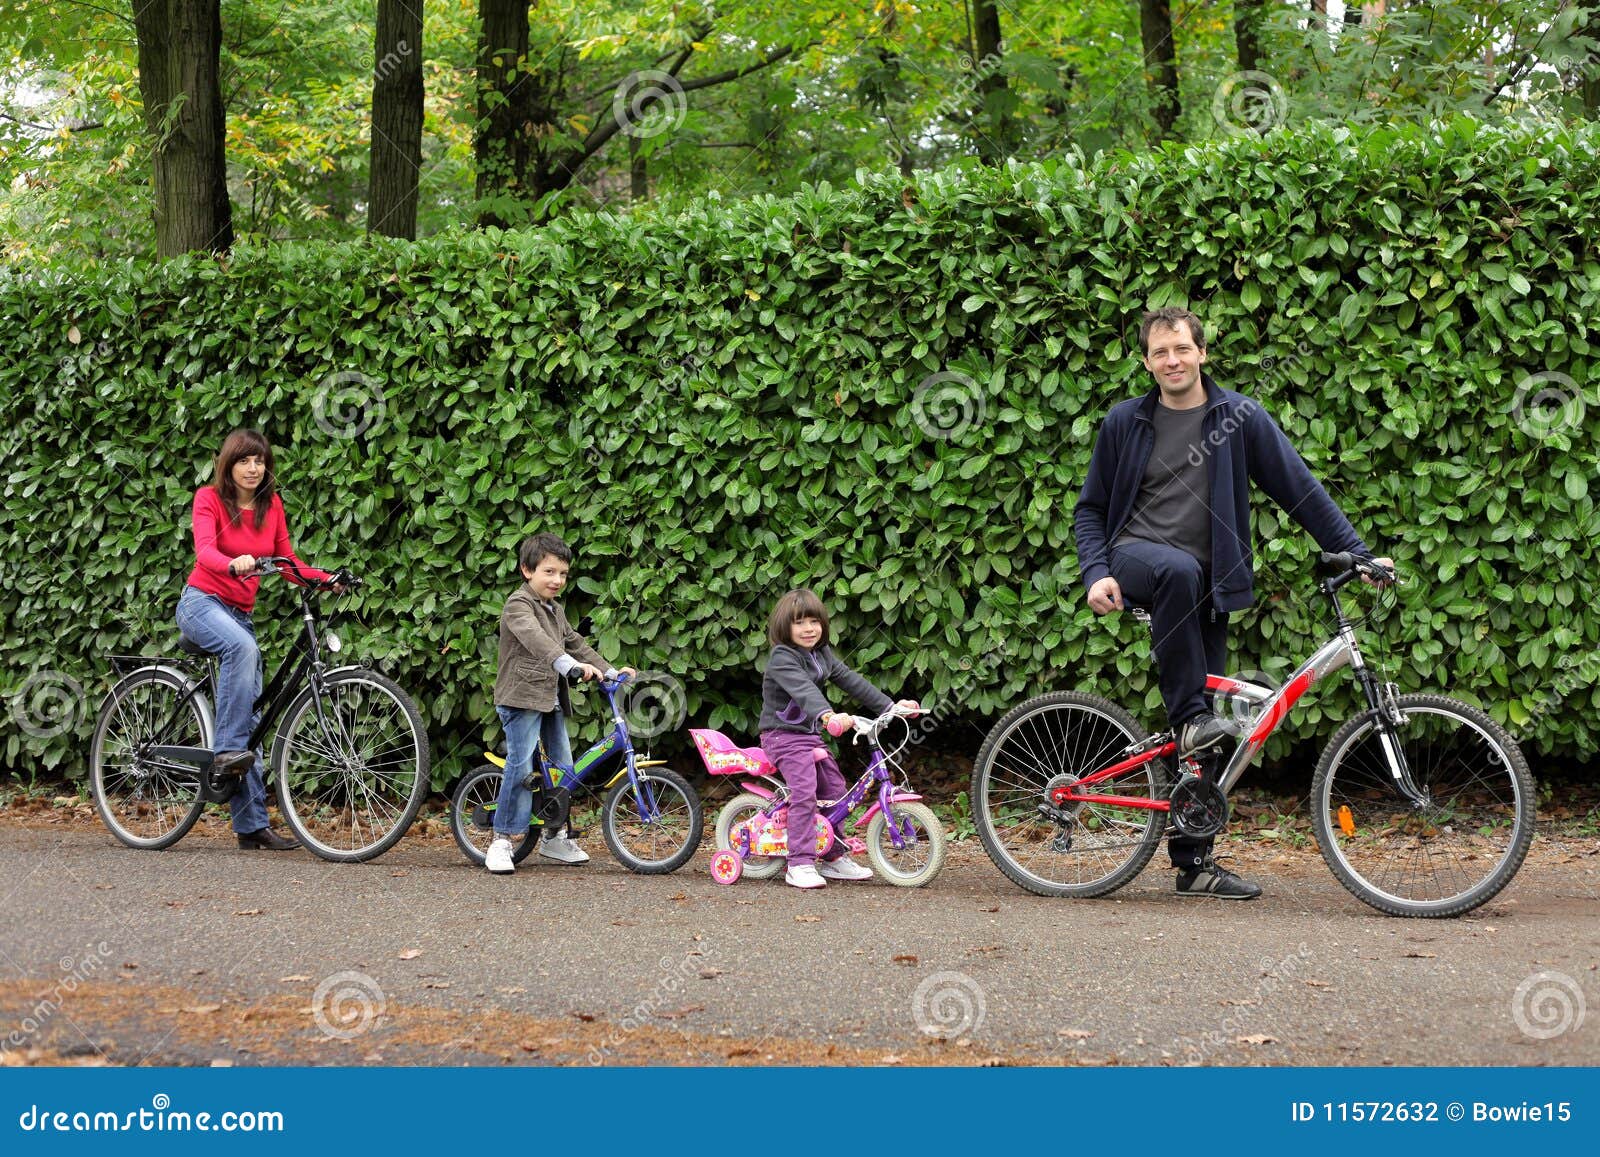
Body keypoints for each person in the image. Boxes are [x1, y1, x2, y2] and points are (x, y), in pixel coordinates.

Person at [1073, 307, 1393, 899]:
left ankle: (1193, 864)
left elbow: (1298, 487)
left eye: (1182, 349)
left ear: (1202, 353)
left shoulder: (1238, 418)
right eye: (1160, 353)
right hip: (1138, 561)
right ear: (1146, 362)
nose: (1172, 361)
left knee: (1220, 730)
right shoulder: (1126, 422)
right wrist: (1095, 572)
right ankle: (1189, 717)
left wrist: (1356, 553)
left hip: (1208, 587)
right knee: (1177, 579)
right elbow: (1091, 509)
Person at [176, 428, 333, 851]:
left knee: (253, 717)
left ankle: (251, 827)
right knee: (242, 649)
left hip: (239, 615)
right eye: (245, 460)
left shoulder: (271, 505)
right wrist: (233, 564)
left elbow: (287, 562)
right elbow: (204, 551)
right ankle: (226, 751)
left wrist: (326, 579)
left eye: (260, 460)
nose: (253, 468)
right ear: (229, 464)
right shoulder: (208, 499)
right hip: (201, 603)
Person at [485, 533, 634, 875]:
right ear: (527, 570)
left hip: (549, 700)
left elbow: (575, 642)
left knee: (563, 769)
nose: (557, 580)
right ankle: (502, 839)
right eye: (549, 572)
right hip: (521, 698)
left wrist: (609, 670)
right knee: (521, 767)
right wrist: (566, 664)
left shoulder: (555, 610)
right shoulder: (517, 605)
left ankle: (554, 836)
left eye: (563, 574)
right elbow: (536, 641)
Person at [759, 588, 920, 889]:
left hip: (808, 737)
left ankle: (833, 856)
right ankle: (800, 863)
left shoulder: (822, 654)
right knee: (805, 791)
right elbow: (804, 691)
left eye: (814, 621)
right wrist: (828, 716)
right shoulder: (782, 658)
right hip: (782, 737)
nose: (809, 629)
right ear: (785, 627)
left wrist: (890, 706)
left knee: (835, 789)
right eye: (799, 623)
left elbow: (851, 680)